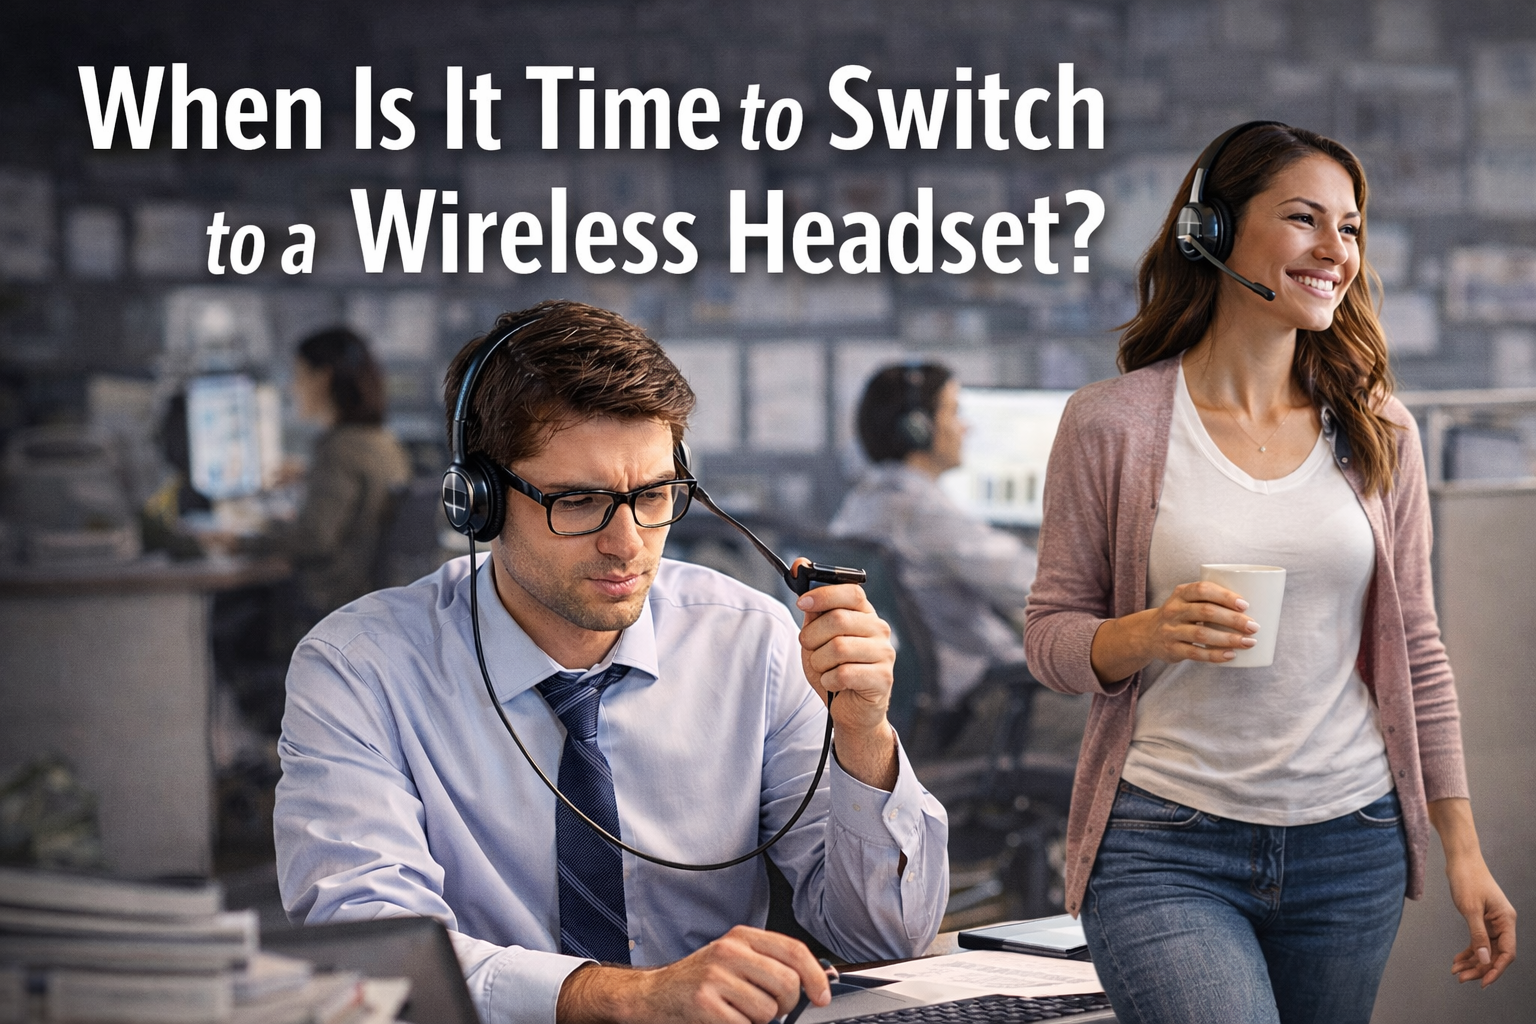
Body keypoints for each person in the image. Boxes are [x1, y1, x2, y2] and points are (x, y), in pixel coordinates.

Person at [274, 301, 949, 1024]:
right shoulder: (359, 669)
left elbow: (883, 939)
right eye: (582, 500)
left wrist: (865, 739)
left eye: (654, 495)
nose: (627, 542)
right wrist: (628, 999)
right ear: (480, 501)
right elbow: (375, 953)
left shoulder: (752, 641)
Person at [1024, 122, 1516, 1024]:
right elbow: (1051, 637)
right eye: (1303, 219)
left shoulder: (1380, 429)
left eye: (1352, 228)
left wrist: (1461, 844)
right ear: (1212, 231)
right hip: (1167, 844)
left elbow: (1417, 650)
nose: (1337, 251)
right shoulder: (1111, 424)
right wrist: (1144, 633)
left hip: (1351, 841)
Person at [831, 363, 1037, 719]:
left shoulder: (865, 500)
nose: (965, 427)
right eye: (954, 412)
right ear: (918, 429)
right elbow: (1035, 584)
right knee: (1111, 718)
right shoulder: (920, 511)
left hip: (918, 710)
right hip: (978, 706)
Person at [232, 328, 411, 628]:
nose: (293, 388)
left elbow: (314, 538)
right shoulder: (383, 441)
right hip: (371, 600)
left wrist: (241, 540)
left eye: (299, 376)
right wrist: (309, 473)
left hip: (331, 602)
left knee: (229, 615)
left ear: (323, 378)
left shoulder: (338, 449)